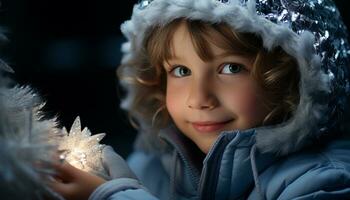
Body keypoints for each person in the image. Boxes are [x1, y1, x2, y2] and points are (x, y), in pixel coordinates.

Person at [48, 0, 350, 199]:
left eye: (231, 68)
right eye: (180, 70)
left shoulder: (321, 182)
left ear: (292, 77)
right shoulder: (152, 166)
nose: (199, 98)